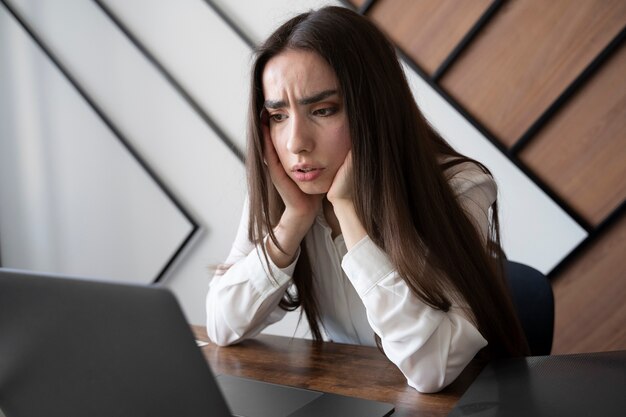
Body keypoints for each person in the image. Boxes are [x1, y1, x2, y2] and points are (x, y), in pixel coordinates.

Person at [206, 6, 528, 393]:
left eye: (323, 110)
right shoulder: (290, 190)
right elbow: (221, 325)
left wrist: (348, 211)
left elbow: (431, 371)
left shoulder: (460, 187)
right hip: (357, 397)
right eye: (278, 116)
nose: (295, 144)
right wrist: (294, 219)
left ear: (374, 110)